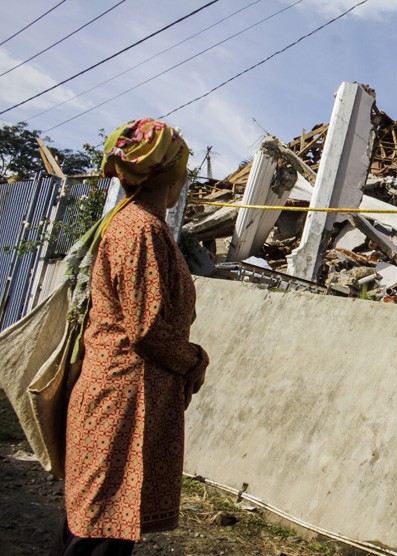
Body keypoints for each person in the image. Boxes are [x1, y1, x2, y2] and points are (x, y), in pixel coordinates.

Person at [50, 118, 209, 556]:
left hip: (119, 400)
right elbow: (149, 331)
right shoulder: (142, 230)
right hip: (123, 405)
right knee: (99, 534)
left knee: (92, 523)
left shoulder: (130, 223)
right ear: (171, 175)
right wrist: (196, 360)